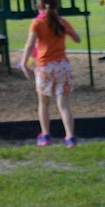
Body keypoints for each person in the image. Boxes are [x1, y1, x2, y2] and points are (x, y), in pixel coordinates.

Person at [18, 0, 81, 147]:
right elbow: (77, 39)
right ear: (57, 5)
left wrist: (24, 62)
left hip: (44, 66)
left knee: (44, 103)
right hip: (62, 66)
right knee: (64, 104)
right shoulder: (62, 22)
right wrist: (69, 30)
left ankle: (45, 135)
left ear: (37, 6)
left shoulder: (37, 23)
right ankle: (70, 137)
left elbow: (30, 44)